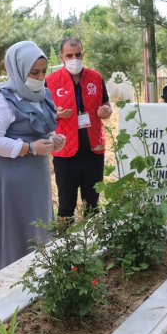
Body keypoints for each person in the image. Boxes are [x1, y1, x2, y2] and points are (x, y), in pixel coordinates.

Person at [0, 40, 65, 278]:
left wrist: (53, 139)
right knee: (16, 227)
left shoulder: (41, 94)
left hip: (37, 174)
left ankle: (39, 276)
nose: (39, 77)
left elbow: (40, 129)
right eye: (33, 72)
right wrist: (29, 147)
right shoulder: (2, 98)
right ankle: (13, 280)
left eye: (43, 72)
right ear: (17, 69)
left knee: (37, 223)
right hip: (12, 177)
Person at [46, 37, 112, 220]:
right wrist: (57, 114)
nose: (74, 58)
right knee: (66, 205)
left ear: (84, 54)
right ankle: (65, 244)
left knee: (92, 203)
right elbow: (43, 115)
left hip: (93, 149)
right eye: (69, 55)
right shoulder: (50, 81)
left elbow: (106, 104)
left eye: (78, 54)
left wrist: (106, 111)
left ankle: (93, 242)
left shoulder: (96, 77)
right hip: (66, 151)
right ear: (61, 57)